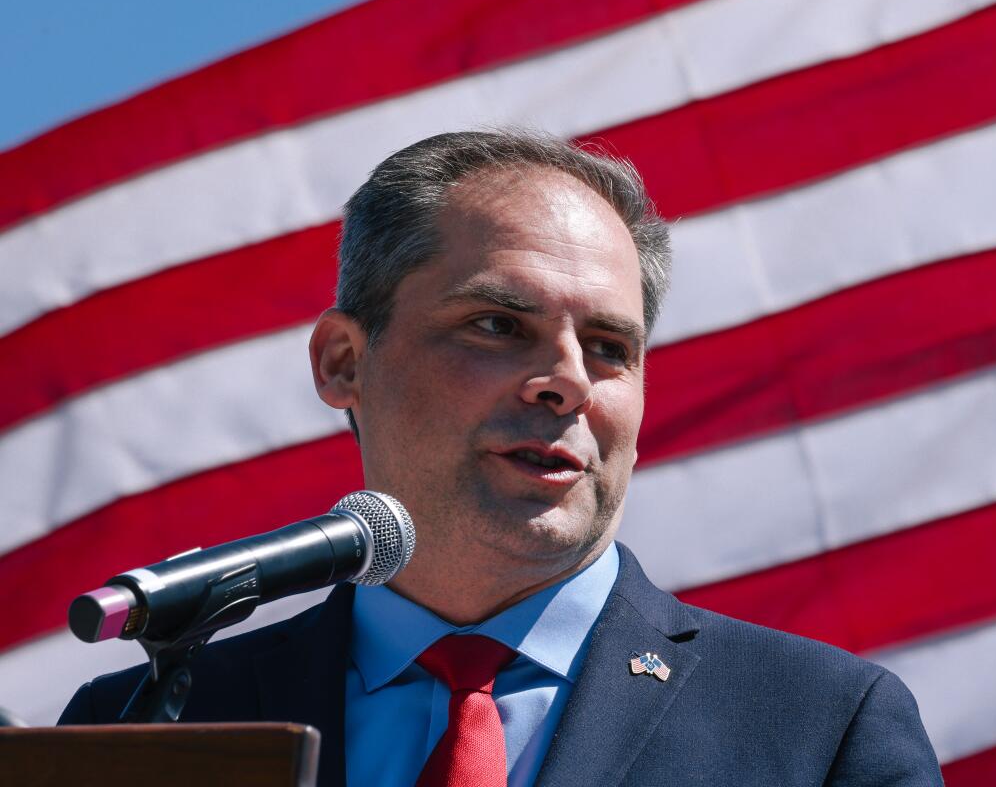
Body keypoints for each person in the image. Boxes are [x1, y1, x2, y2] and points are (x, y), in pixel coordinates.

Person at [60, 131, 943, 786]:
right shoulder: (140, 732)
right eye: (497, 326)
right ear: (343, 363)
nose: (565, 383)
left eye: (608, 346)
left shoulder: (822, 730)